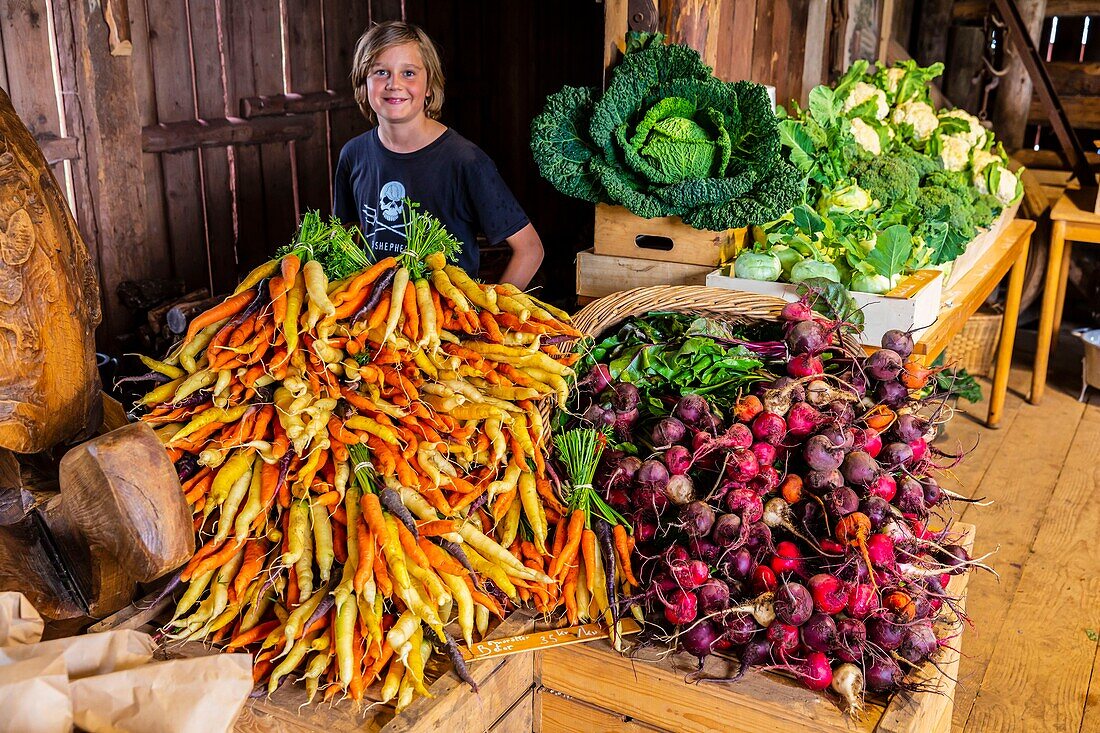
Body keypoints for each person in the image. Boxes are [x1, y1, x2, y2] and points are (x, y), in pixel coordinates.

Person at [334, 21, 544, 289]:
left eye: (408, 73)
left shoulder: (466, 162)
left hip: (449, 324)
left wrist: (489, 317)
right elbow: (345, 241)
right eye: (381, 72)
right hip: (374, 322)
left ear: (430, 86)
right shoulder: (353, 155)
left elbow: (530, 249)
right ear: (364, 84)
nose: (394, 84)